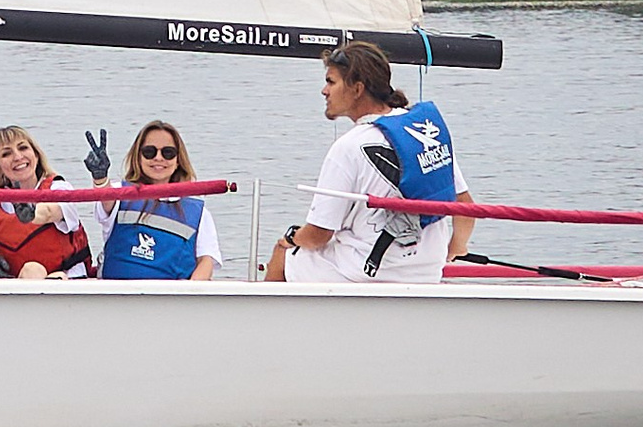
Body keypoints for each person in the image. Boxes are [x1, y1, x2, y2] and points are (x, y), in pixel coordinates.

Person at [263, 42, 474, 284]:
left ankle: (263, 321)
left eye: (331, 82)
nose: (324, 91)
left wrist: (291, 238)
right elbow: (466, 208)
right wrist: (453, 250)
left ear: (357, 89)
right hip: (427, 273)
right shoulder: (424, 135)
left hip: (366, 273)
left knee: (284, 254)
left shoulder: (348, 147)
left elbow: (318, 235)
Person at [0, 117, 92, 279]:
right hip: (19, 285)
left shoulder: (59, 188)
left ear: (36, 155)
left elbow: (49, 212)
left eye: (23, 148)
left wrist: (31, 213)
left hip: (67, 280)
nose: (18, 157)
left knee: (33, 269)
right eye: (6, 153)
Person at [97, 120, 222, 281]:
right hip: (116, 296)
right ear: (138, 156)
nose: (158, 158)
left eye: (168, 153)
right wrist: (99, 178)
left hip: (171, 300)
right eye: (149, 152)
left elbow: (206, 261)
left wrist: (188, 294)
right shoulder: (120, 192)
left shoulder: (198, 212)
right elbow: (106, 200)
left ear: (178, 160)